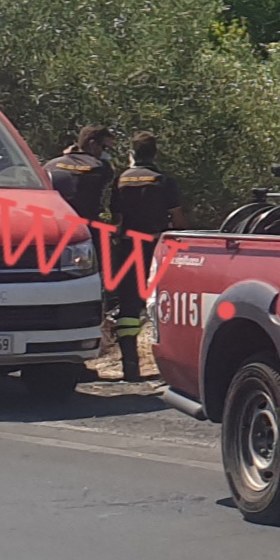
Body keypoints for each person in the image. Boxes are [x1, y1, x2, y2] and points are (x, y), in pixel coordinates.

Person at [104, 132, 181, 379]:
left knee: (128, 306)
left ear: (133, 153)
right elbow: (178, 218)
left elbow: (116, 219)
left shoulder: (121, 181)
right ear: (154, 153)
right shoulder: (163, 180)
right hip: (157, 248)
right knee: (165, 302)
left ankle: (130, 365)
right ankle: (171, 366)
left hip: (128, 248)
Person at [46, 126, 115, 222]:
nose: (106, 152)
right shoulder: (102, 167)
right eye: (105, 148)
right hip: (85, 224)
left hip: (53, 221)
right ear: (92, 144)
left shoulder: (51, 164)